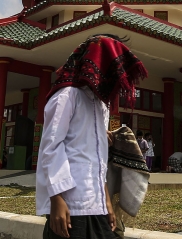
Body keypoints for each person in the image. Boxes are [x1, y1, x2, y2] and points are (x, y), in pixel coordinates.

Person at [36, 34, 147, 239]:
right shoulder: (66, 95)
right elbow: (51, 147)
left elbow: (97, 160)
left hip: (96, 203)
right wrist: (56, 198)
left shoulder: (101, 106)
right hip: (70, 204)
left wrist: (106, 201)